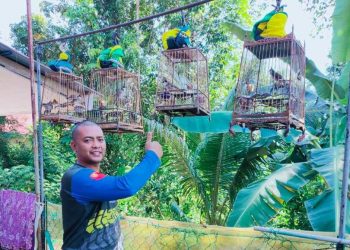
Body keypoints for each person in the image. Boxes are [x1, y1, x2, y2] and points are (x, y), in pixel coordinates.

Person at [60, 120, 163, 249]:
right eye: (88, 140)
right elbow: (126, 186)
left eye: (100, 139)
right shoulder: (77, 177)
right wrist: (153, 156)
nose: (96, 145)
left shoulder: (96, 176)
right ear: (74, 146)